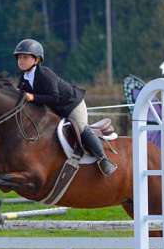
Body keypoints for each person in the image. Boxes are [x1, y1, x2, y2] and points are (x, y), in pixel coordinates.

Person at [14, 38, 117, 176]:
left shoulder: (45, 74)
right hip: (56, 109)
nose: (21, 60)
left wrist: (33, 97)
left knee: (81, 128)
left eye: (25, 57)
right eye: (19, 57)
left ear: (36, 60)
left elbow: (54, 97)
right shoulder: (24, 78)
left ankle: (103, 160)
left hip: (72, 104)